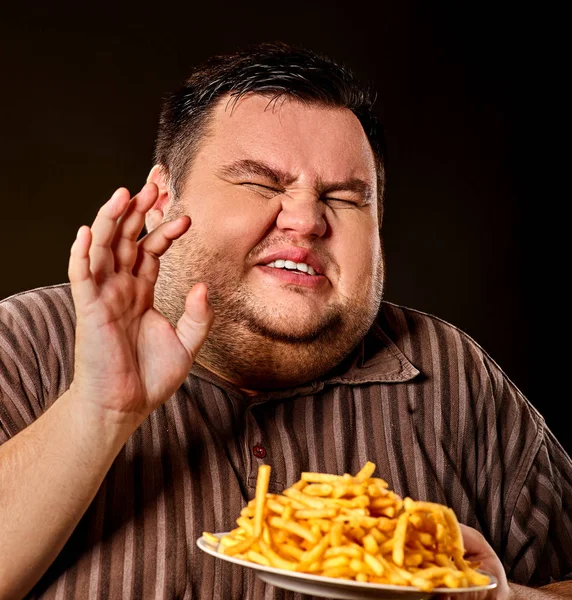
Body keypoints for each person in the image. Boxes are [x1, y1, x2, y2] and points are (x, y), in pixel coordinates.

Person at [0, 42, 570, 600]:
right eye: (261, 183)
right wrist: (96, 410)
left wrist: (505, 599)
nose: (305, 219)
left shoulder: (455, 376)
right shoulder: (26, 343)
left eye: (346, 198)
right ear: (161, 201)